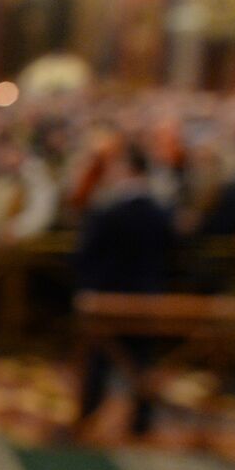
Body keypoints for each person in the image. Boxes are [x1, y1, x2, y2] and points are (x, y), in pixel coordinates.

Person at [74, 144, 174, 436]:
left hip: (106, 296)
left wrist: (86, 286)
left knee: (100, 360)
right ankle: (141, 423)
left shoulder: (110, 211)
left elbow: (88, 254)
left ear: (129, 168)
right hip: (146, 295)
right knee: (140, 360)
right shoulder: (160, 212)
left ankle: (88, 416)